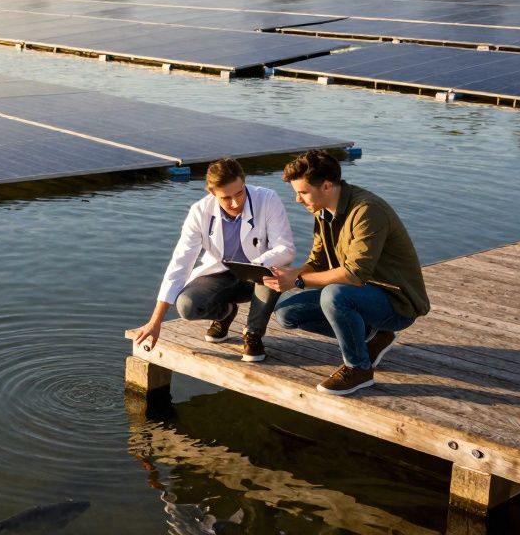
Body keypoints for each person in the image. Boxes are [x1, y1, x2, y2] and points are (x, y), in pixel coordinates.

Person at [265, 150, 429, 396]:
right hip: (362, 295)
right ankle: (372, 336)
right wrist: (288, 275)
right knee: (286, 311)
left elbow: (354, 275)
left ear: (327, 186)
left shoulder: (367, 211)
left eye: (303, 192)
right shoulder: (321, 210)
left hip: (396, 304)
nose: (298, 200)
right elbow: (318, 262)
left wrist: (298, 279)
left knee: (335, 295)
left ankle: (359, 369)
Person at [130, 158, 295, 363]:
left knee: (275, 267)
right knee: (187, 306)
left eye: (240, 193)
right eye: (226, 198)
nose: (235, 203)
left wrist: (256, 265)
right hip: (221, 274)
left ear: (244, 183)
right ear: (212, 193)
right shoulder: (199, 212)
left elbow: (285, 248)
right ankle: (225, 313)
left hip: (258, 274)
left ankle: (253, 334)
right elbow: (180, 262)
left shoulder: (267, 199)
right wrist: (155, 321)